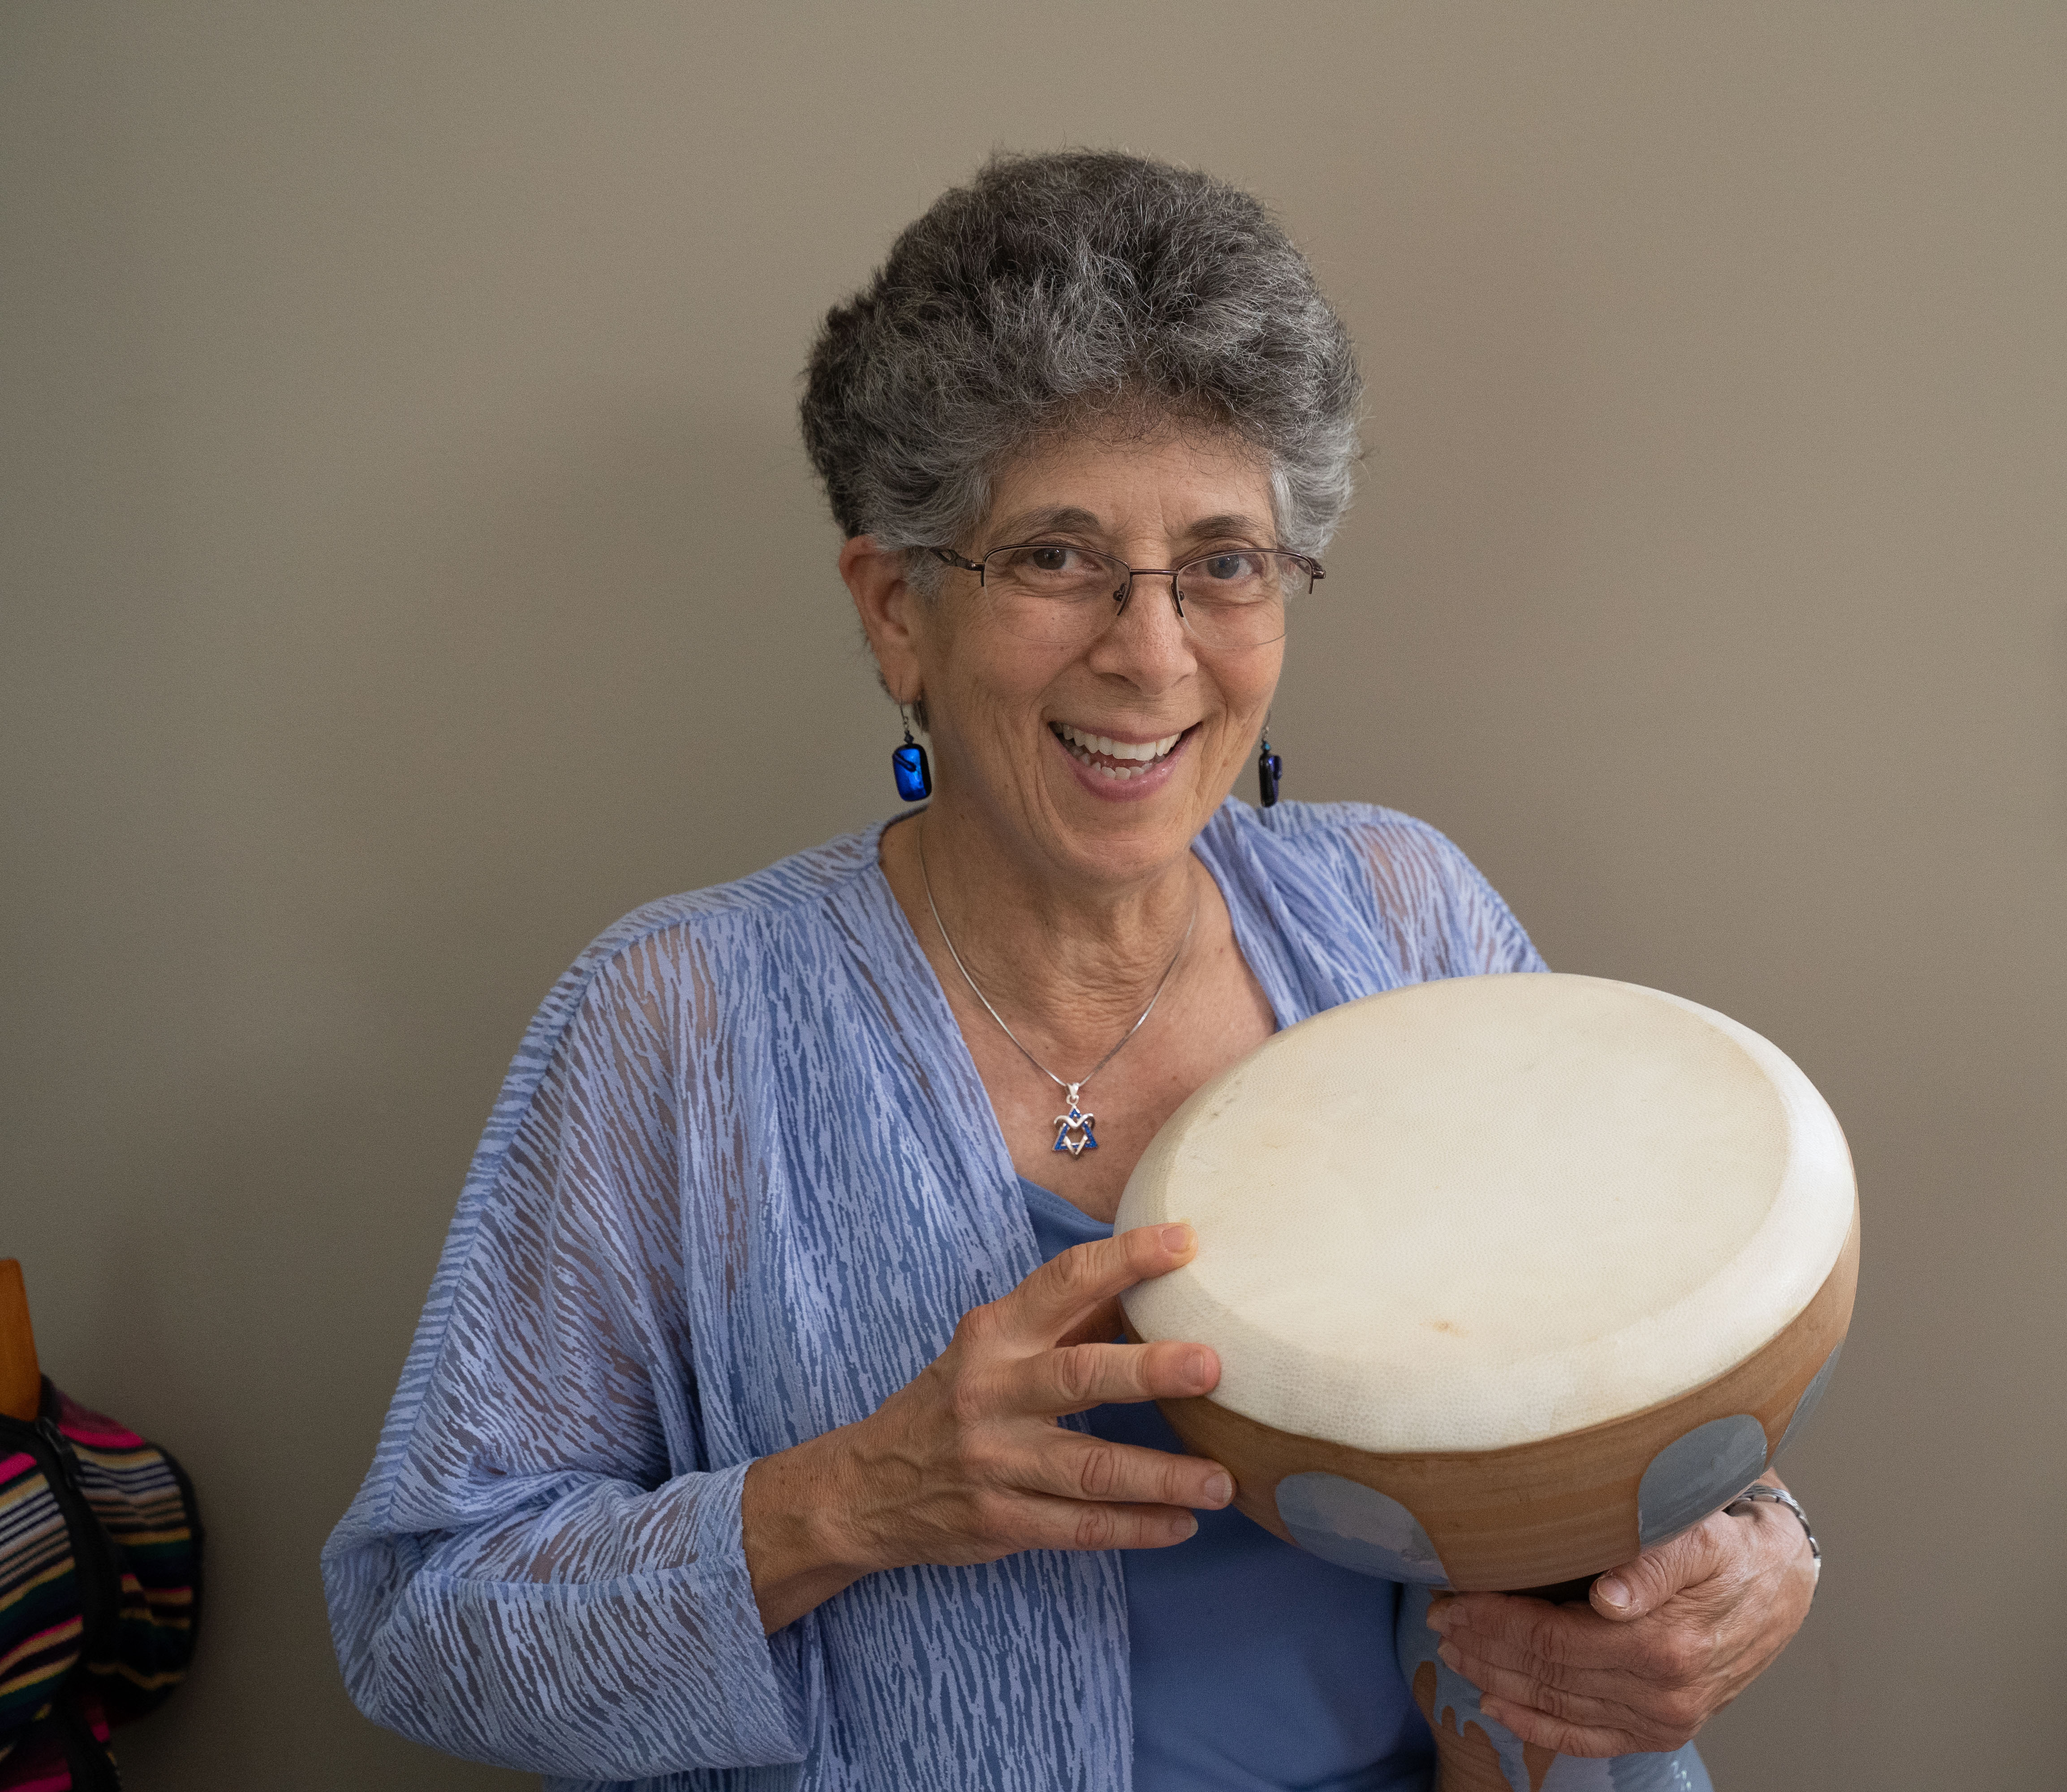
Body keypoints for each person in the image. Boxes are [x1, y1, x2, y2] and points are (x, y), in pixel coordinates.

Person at [323, 150, 1818, 1792]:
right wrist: (852, 1499)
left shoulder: (1402, 912)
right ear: (898, 611)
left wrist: (1737, 1555)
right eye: (1055, 556)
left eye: (1225, 561)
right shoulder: (675, 1019)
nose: (1153, 648)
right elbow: (426, 1629)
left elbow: (1619, 1365)